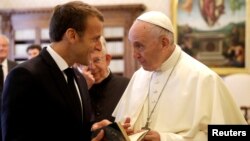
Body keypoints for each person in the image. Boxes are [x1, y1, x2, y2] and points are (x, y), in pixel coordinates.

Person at [112, 11, 247, 141]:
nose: (134, 55)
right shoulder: (138, 77)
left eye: (139, 46)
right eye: (132, 46)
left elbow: (235, 134)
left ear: (164, 43)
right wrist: (122, 132)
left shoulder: (204, 79)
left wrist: (166, 139)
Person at [1, 1, 104, 141]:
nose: (99, 47)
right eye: (95, 39)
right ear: (72, 35)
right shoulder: (25, 76)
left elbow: (70, 128)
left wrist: (98, 130)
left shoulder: (79, 78)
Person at [78, 36, 130, 122]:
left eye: (97, 60)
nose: (92, 67)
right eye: (86, 62)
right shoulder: (74, 90)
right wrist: (83, 89)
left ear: (107, 59)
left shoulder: (127, 85)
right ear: (78, 65)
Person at [0, 34, 18, 141]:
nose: (1, 48)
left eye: (4, 45)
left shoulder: (17, 66)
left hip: (11, 117)